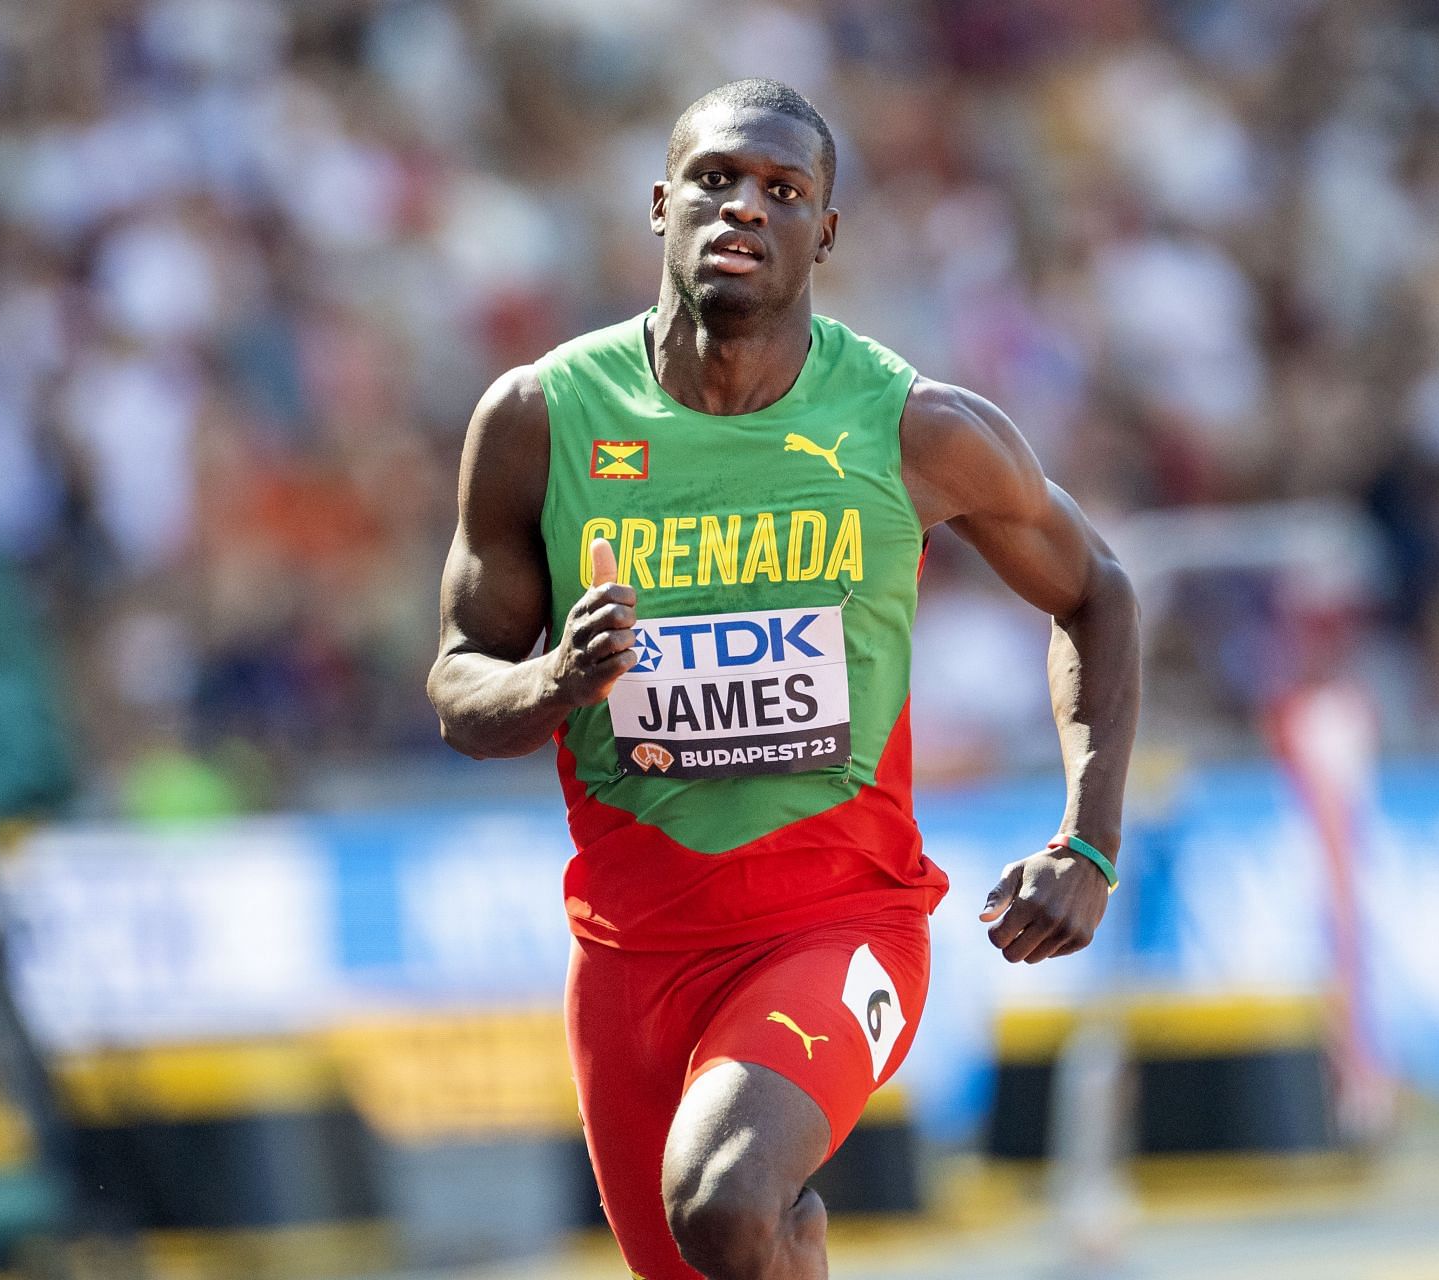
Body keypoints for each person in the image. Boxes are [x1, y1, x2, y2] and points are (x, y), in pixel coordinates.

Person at [426, 79, 1140, 1280]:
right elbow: (458, 688)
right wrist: (560, 678)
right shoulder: (539, 420)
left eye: (783, 190)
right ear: (661, 205)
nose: (743, 208)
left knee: (722, 1194)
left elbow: (1098, 591)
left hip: (840, 920)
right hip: (631, 951)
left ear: (827, 232)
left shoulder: (915, 427)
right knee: (726, 1248)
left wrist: (1089, 840)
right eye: (714, 180)